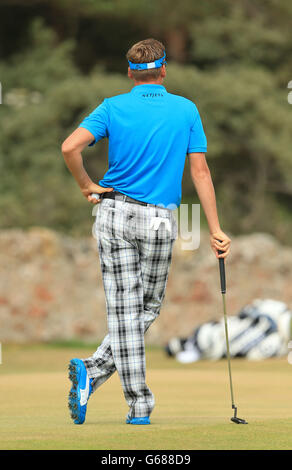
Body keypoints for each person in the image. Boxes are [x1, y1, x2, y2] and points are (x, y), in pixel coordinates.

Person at [61, 38, 231, 425]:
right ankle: (138, 403)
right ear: (164, 71)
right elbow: (200, 172)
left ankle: (96, 371)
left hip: (113, 213)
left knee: (126, 310)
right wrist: (216, 229)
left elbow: (70, 147)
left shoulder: (112, 106)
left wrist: (87, 186)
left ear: (129, 72)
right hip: (159, 221)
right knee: (145, 308)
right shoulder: (186, 109)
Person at [165, 299, 292, 363]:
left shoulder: (278, 344)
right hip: (223, 333)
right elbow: (249, 308)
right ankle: (182, 345)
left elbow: (254, 355)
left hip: (222, 346)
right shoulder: (276, 308)